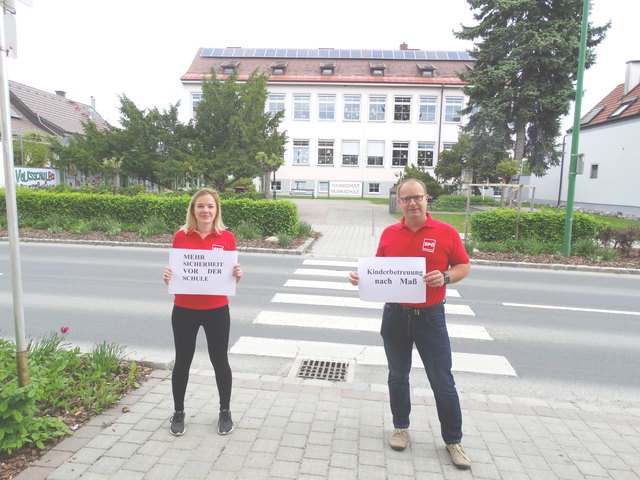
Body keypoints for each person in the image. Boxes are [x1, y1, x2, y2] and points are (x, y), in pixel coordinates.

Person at [348, 178, 471, 469]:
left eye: (417, 197)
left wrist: (447, 276)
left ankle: (453, 441)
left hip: (431, 317)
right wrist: (361, 278)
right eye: (407, 199)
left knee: (442, 381)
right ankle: (400, 427)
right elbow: (380, 270)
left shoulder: (446, 232)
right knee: (397, 375)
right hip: (395, 316)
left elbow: (463, 265)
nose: (413, 203)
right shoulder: (390, 234)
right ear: (399, 202)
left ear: (427, 199)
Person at [162, 188, 243, 437]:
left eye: (210, 206)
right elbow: (178, 271)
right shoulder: (181, 236)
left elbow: (227, 276)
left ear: (216, 210)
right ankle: (178, 412)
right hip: (184, 309)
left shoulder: (227, 237)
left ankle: (225, 412)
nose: (205, 210)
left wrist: (236, 276)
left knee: (220, 361)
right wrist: (169, 277)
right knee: (182, 361)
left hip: (216, 309)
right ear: (193, 210)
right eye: (200, 206)